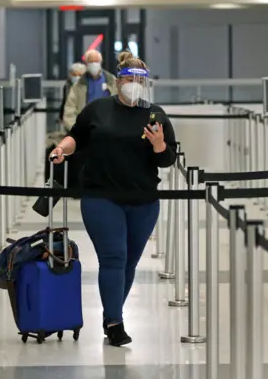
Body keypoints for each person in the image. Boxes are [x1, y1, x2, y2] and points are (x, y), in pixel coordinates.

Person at [50, 51, 177, 347]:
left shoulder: (155, 114)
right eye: (128, 79)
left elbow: (168, 159)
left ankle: (113, 312)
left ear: (145, 84)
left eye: (138, 80)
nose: (133, 84)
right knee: (113, 258)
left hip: (143, 200)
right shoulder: (98, 110)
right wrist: (62, 149)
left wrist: (159, 145)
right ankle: (114, 321)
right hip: (101, 196)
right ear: (117, 81)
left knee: (130, 262)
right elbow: (76, 136)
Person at [45, 62, 87, 184]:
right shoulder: (67, 86)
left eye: (79, 74)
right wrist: (62, 117)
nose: (76, 76)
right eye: (74, 74)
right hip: (69, 124)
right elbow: (65, 103)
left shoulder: (86, 87)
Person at [61, 49, 118, 131]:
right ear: (86, 63)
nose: (94, 64)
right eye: (91, 61)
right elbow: (70, 110)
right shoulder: (78, 85)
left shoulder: (111, 81)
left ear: (100, 62)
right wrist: (76, 130)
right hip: (86, 128)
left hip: (109, 127)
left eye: (96, 61)